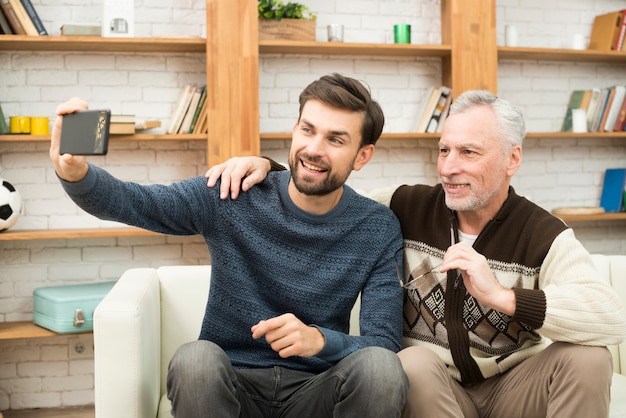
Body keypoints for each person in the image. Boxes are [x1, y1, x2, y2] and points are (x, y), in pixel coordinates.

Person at [205, 89, 626, 418]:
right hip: (433, 392)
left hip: (516, 388)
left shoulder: (542, 233)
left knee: (588, 358)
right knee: (413, 362)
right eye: (444, 150)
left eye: (469, 153)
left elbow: (611, 317)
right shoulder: (403, 207)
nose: (448, 167)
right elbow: (329, 196)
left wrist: (503, 297)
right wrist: (268, 168)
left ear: (512, 158)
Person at [50, 73, 408, 417]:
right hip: (230, 386)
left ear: (363, 155)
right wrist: (75, 173)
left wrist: (319, 341)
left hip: (317, 392)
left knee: (381, 368)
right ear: (294, 129)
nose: (313, 149)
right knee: (196, 359)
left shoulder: (375, 227)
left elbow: (384, 343)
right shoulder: (235, 191)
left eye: (336, 139)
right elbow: (137, 202)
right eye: (307, 129)